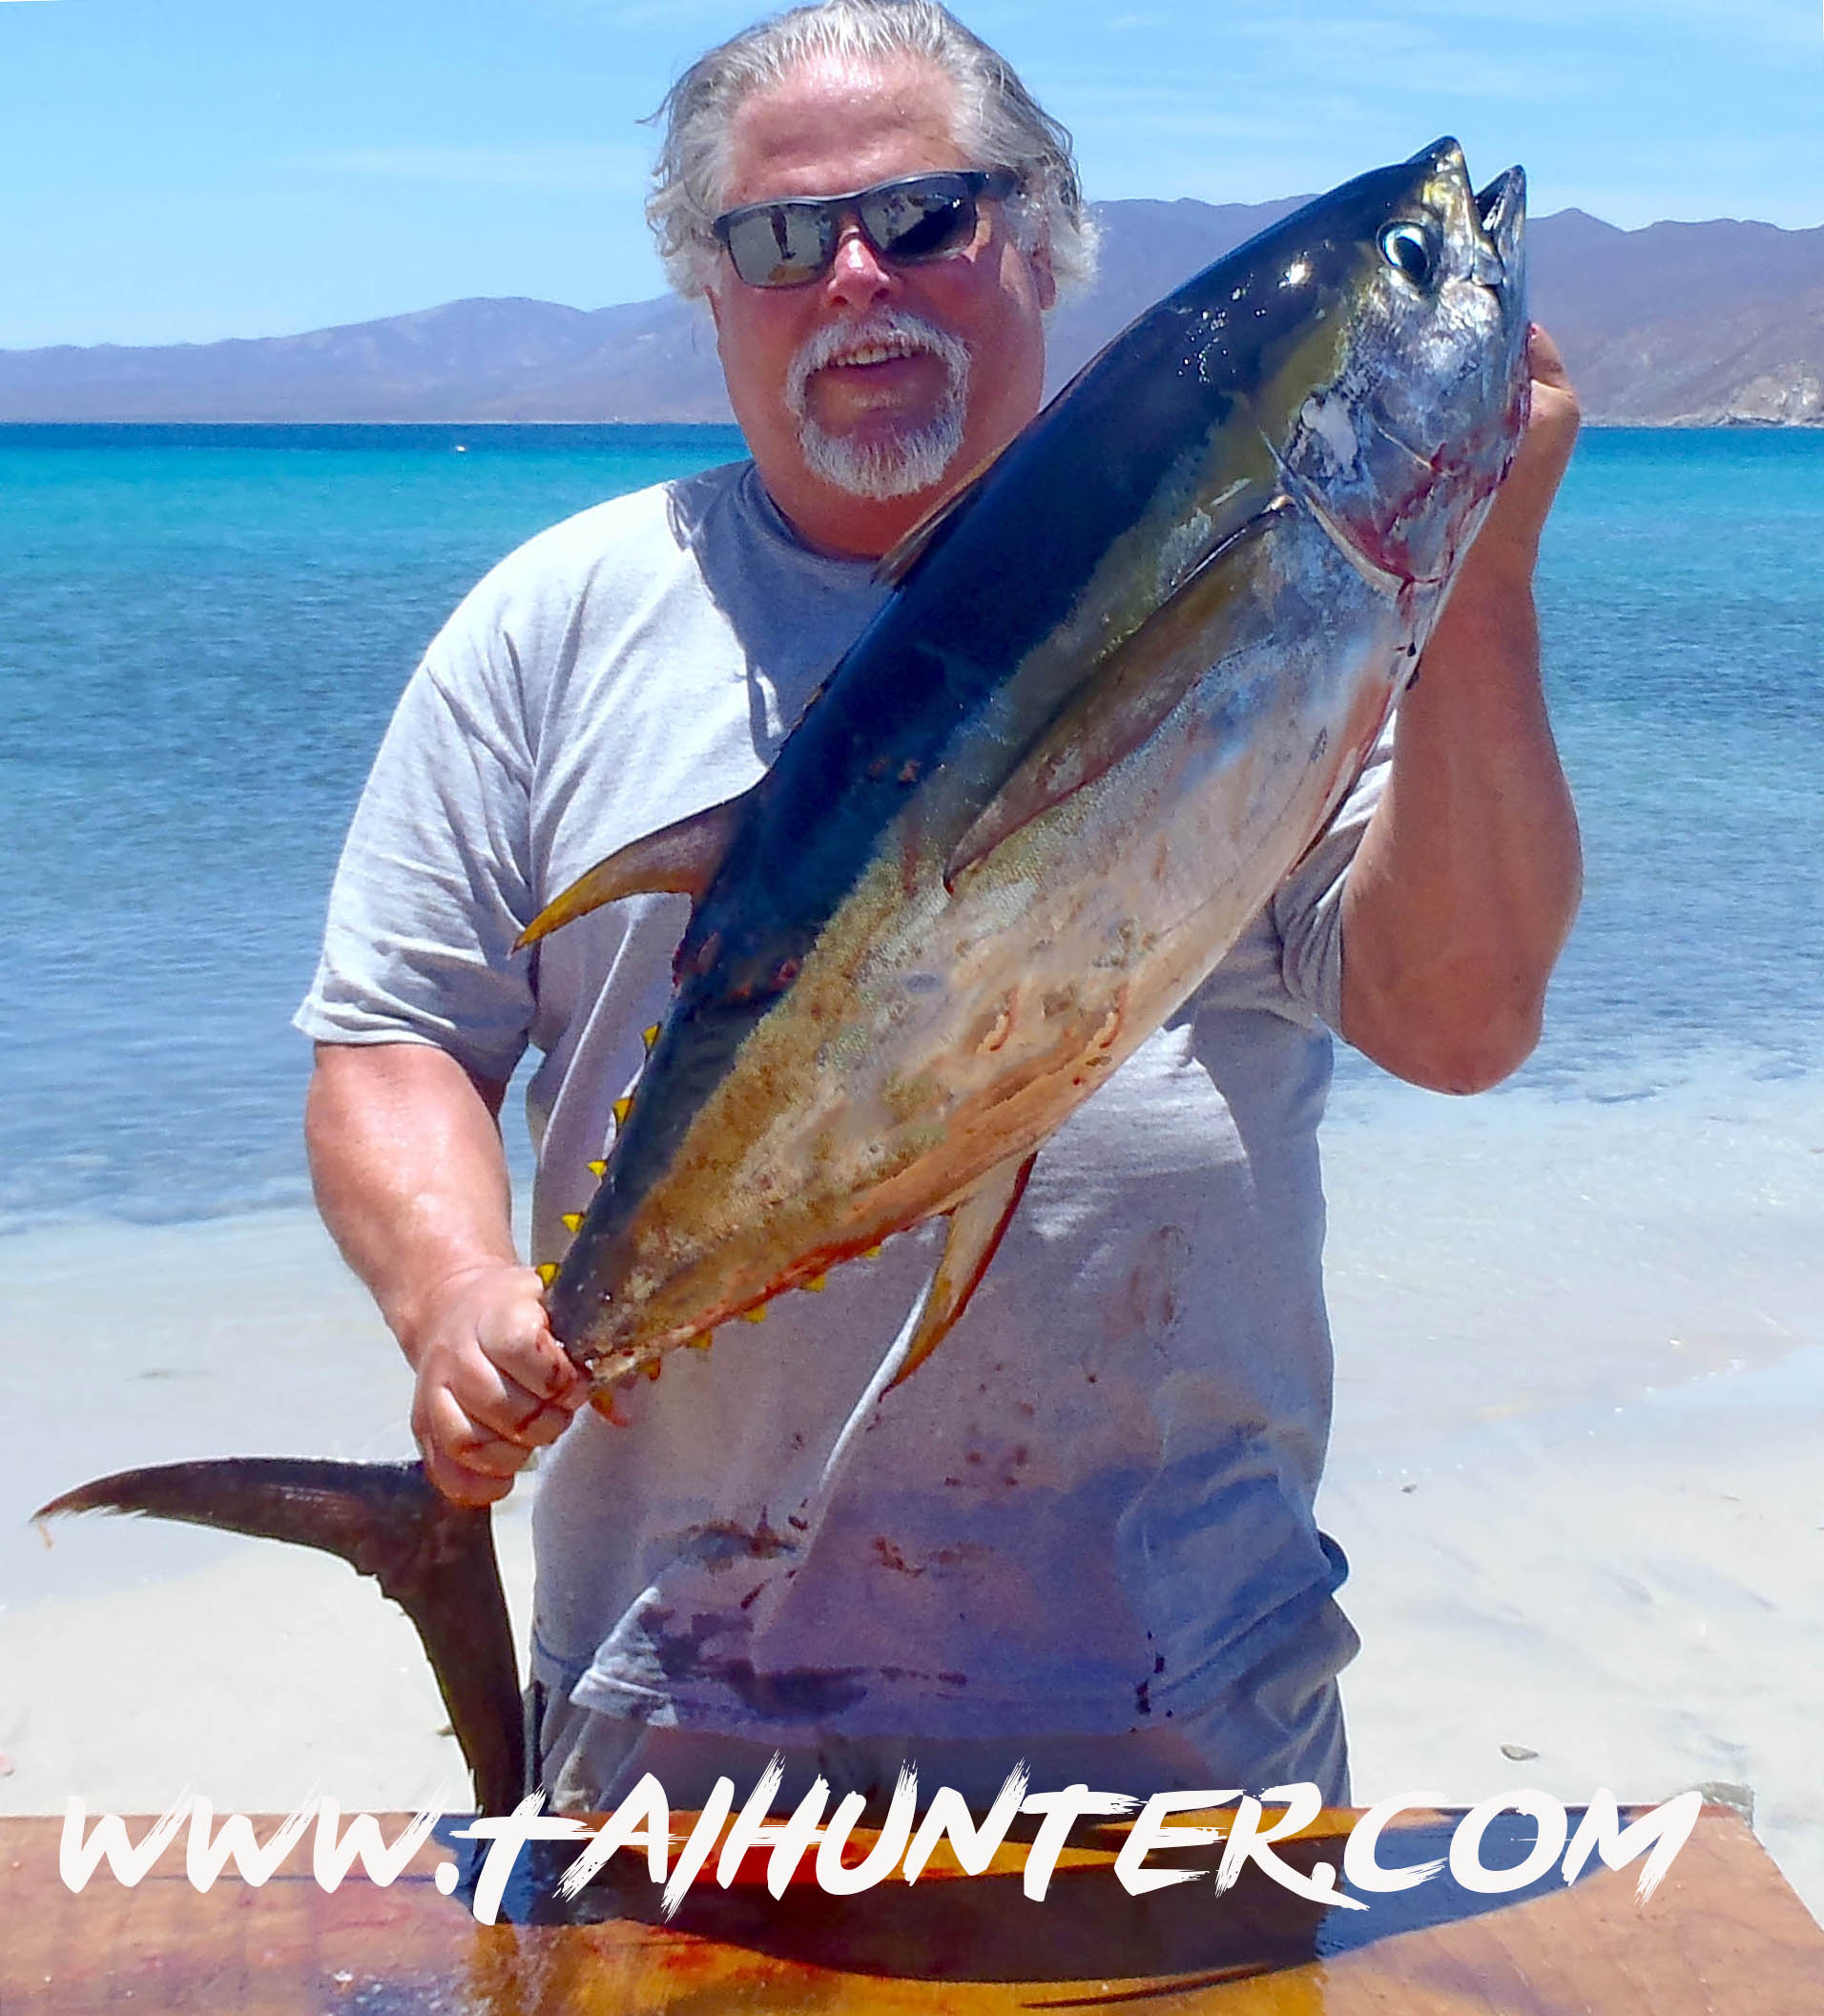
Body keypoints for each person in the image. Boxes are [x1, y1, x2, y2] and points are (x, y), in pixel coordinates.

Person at [298, 0, 1582, 1818]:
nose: (854, 278)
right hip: (676, 1739)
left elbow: (1461, 1021)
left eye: (922, 218)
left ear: (1043, 246)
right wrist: (456, 1296)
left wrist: (1483, 561)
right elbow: (395, 1036)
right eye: (778, 239)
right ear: (711, 293)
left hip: (1187, 1731)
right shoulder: (553, 629)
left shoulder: (1292, 618)